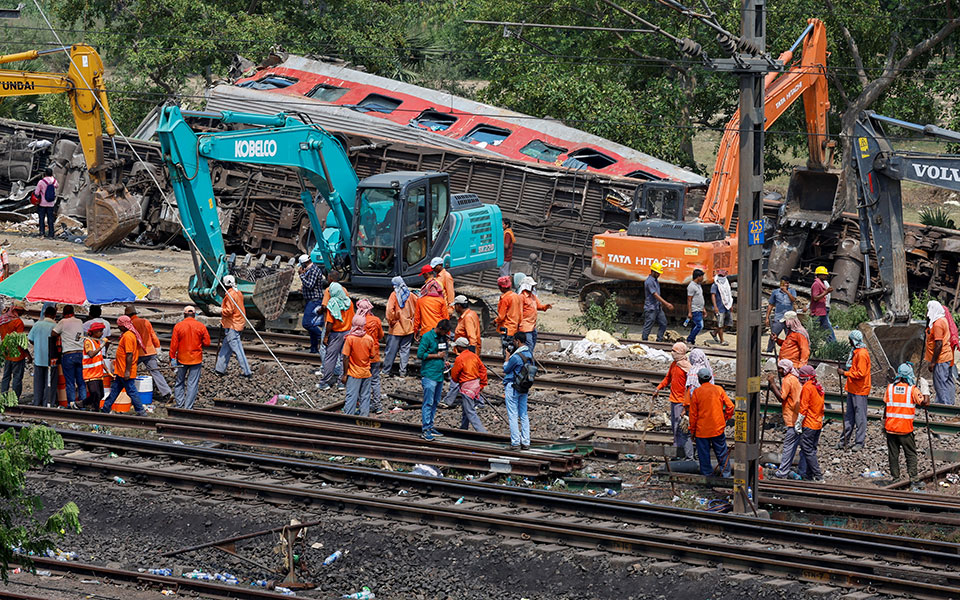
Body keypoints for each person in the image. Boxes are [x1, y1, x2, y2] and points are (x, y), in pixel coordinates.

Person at [884, 363, 930, 489]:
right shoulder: (912, 389)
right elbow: (925, 403)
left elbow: (886, 405)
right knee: (910, 454)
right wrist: (925, 390)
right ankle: (914, 479)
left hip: (891, 428)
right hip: (905, 429)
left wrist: (884, 422)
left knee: (893, 454)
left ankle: (895, 478)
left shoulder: (890, 388)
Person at [689, 367, 735, 477]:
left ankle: (708, 477)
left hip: (702, 431)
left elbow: (693, 415)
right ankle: (726, 475)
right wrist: (725, 418)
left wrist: (692, 431)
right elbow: (730, 406)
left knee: (704, 455)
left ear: (699, 380)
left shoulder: (696, 392)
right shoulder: (718, 389)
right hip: (717, 428)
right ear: (710, 378)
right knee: (722, 453)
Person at [654, 342, 693, 459]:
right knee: (675, 427)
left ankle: (682, 453)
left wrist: (686, 407)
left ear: (681, 352)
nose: (672, 353)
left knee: (681, 429)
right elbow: (668, 378)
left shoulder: (687, 367)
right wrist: (658, 388)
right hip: (674, 400)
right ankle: (677, 450)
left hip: (681, 402)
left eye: (674, 351)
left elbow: (689, 387)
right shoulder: (674, 365)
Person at [102, 315, 147, 416]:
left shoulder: (128, 336)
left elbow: (129, 354)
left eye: (119, 325)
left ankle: (140, 411)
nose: (118, 327)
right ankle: (105, 407)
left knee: (131, 391)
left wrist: (127, 371)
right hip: (121, 370)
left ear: (124, 325)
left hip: (125, 370)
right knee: (115, 389)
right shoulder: (128, 335)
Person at [169, 306, 210, 410]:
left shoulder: (178, 326)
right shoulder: (201, 326)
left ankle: (179, 404)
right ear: (195, 315)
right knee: (192, 384)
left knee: (179, 382)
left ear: (184, 314)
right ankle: (188, 407)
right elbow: (207, 343)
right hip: (196, 359)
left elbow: (173, 345)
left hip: (182, 358)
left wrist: (172, 358)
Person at [128, 305, 172, 403]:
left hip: (137, 353)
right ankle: (167, 392)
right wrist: (158, 348)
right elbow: (153, 336)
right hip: (150, 351)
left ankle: (126, 392)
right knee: (155, 372)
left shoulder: (130, 324)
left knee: (128, 370)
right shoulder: (145, 322)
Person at [767, 359, 802, 478]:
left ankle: (782, 472)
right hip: (798, 417)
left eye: (781, 369)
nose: (779, 371)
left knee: (788, 447)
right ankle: (798, 470)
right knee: (797, 446)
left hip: (792, 418)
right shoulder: (794, 378)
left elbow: (781, 398)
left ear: (786, 369)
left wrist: (772, 384)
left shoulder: (787, 380)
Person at [838, 330, 872, 451]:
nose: (849, 342)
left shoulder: (861, 354)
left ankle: (859, 442)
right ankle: (844, 441)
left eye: (850, 340)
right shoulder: (855, 352)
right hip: (853, 388)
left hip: (860, 390)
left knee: (860, 417)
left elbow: (861, 373)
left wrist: (845, 373)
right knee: (849, 417)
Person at [418, 319, 451, 441]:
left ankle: (430, 426)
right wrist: (437, 356)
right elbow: (420, 354)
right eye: (445, 332)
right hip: (429, 374)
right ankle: (426, 429)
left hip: (439, 375)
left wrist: (443, 361)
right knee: (428, 402)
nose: (446, 335)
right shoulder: (427, 337)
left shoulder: (442, 338)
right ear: (440, 329)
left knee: (435, 401)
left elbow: (441, 353)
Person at [318, 282, 354, 391]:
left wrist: (326, 336)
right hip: (348, 333)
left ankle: (325, 381)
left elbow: (329, 323)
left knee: (330, 357)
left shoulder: (332, 304)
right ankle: (341, 383)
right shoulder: (349, 302)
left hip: (336, 334)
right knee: (345, 357)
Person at [215, 275, 252, 378]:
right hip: (235, 323)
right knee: (225, 348)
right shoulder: (237, 292)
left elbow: (229, 311)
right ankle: (219, 369)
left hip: (233, 325)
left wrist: (219, 310)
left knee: (238, 350)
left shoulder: (230, 295)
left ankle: (247, 372)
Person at [341, 314, 377, 417]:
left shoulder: (350, 339)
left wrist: (344, 374)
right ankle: (364, 416)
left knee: (351, 396)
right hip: (366, 372)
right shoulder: (369, 339)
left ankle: (348, 418)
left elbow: (345, 357)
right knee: (365, 396)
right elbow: (372, 355)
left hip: (354, 373)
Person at [503, 331, 533, 450]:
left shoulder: (515, 357)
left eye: (514, 341)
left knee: (513, 415)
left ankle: (515, 442)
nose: (513, 343)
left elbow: (506, 369)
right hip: (524, 387)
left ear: (518, 341)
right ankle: (526, 441)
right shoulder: (529, 354)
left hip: (513, 386)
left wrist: (506, 357)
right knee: (524, 414)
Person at [450, 337, 487, 432]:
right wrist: (482, 384)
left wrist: (458, 380)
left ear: (460, 347)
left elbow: (454, 374)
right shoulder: (474, 356)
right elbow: (483, 370)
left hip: (467, 387)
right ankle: (463, 428)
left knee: (470, 411)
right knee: (466, 407)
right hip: (475, 385)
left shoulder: (460, 358)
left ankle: (482, 432)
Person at [52, 305, 86, 409]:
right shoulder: (80, 321)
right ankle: (82, 405)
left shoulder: (62, 322)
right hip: (80, 354)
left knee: (70, 382)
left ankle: (71, 404)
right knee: (81, 382)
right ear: (73, 312)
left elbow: (53, 333)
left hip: (68, 354)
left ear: (63, 313)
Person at [795, 365, 825, 481]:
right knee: (811, 449)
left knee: (807, 449)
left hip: (809, 424)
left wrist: (798, 424)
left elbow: (803, 408)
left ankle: (818, 475)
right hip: (817, 424)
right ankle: (808, 475)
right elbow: (821, 407)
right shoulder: (818, 387)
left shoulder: (807, 387)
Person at [384, 276, 417, 378]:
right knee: (405, 351)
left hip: (396, 328)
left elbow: (389, 311)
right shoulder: (410, 295)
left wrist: (391, 321)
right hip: (409, 328)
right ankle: (403, 372)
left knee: (391, 351)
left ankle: (386, 371)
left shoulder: (394, 295)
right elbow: (418, 308)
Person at [925, 300, 955, 405]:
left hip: (941, 358)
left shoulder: (938, 324)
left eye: (928, 310)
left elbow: (939, 344)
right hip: (946, 356)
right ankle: (946, 403)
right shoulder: (942, 319)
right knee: (945, 381)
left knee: (940, 383)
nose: (927, 312)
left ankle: (944, 405)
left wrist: (933, 362)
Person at [357, 299, 384, 414]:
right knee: (375, 381)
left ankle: (363, 405)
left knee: (361, 381)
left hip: (361, 356)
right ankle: (378, 406)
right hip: (375, 355)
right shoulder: (376, 320)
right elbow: (381, 336)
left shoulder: (358, 321)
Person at [27, 305, 57, 406]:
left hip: (39, 358)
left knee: (38, 382)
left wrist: (38, 345)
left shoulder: (37, 324)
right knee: (49, 382)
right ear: (54, 315)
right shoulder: (55, 326)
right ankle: (48, 403)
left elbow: (30, 338)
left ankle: (37, 401)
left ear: (44, 314)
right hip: (51, 359)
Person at [0, 301, 30, 400]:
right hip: (17, 355)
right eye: (22, 311)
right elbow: (20, 342)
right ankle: (15, 398)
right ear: (17, 310)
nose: (22, 313)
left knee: (6, 376)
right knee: (17, 377)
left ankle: (3, 396)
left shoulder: (3, 320)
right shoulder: (18, 322)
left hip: (7, 353)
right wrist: (27, 354)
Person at [299, 254, 327, 354]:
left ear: (304, 263)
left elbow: (310, 285)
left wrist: (301, 275)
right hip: (310, 300)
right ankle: (314, 348)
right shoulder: (310, 270)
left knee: (307, 323)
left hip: (314, 301)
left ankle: (323, 337)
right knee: (312, 325)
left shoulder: (314, 270)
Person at [642, 261, 673, 342]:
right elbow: (655, 294)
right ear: (653, 271)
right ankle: (644, 341)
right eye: (657, 273)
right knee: (648, 325)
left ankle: (659, 340)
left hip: (657, 307)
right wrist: (666, 304)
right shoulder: (649, 281)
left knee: (663, 323)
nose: (659, 275)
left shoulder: (655, 280)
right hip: (651, 308)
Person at [518, 277, 551, 351]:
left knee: (532, 343)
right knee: (529, 344)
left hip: (532, 326)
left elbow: (538, 306)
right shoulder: (521, 297)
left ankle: (528, 357)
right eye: (531, 286)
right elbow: (518, 312)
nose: (533, 287)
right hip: (525, 327)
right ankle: (527, 359)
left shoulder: (533, 296)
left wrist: (545, 307)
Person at [81, 322, 109, 411]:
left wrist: (108, 371)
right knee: (96, 395)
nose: (101, 333)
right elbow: (91, 354)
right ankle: (94, 412)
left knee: (100, 395)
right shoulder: (88, 342)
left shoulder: (96, 342)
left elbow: (100, 359)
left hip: (98, 374)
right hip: (91, 374)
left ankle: (80, 404)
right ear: (94, 332)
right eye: (100, 331)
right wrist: (102, 346)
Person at [764, 277, 797, 352]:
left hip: (789, 319)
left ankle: (791, 352)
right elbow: (770, 305)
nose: (786, 284)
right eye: (785, 283)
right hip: (779, 317)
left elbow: (793, 300)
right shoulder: (775, 292)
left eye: (787, 283)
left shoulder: (792, 291)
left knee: (791, 336)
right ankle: (769, 351)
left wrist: (787, 292)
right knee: (773, 335)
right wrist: (767, 318)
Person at [495, 275, 522, 349]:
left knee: (507, 352)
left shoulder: (505, 299)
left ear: (502, 287)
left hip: (506, 329)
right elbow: (520, 314)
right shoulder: (516, 296)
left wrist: (495, 321)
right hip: (515, 329)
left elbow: (501, 317)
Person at [810, 266, 836, 342]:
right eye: (824, 274)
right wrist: (826, 292)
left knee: (828, 330)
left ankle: (832, 345)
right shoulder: (816, 284)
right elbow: (815, 298)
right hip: (817, 312)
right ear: (819, 275)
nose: (826, 276)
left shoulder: (822, 283)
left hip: (822, 311)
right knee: (816, 332)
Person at [710, 269, 732, 346]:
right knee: (720, 325)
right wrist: (715, 306)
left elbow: (728, 294)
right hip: (719, 307)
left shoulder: (726, 284)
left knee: (728, 322)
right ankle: (722, 340)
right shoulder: (715, 285)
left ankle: (714, 332)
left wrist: (730, 304)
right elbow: (713, 295)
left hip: (726, 306)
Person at [34, 167, 58, 238]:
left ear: (45, 173)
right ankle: (51, 234)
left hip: (42, 203)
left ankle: (42, 233)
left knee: (41, 218)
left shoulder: (41, 182)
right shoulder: (54, 181)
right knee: (50, 219)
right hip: (51, 204)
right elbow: (57, 186)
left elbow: (36, 193)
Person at [686, 269, 706, 346]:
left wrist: (703, 309)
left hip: (699, 309)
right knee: (700, 325)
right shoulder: (691, 286)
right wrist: (690, 312)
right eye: (702, 277)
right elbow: (689, 299)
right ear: (698, 277)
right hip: (695, 309)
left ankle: (692, 341)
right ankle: (689, 339)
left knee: (695, 325)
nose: (703, 278)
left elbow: (700, 298)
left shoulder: (698, 285)